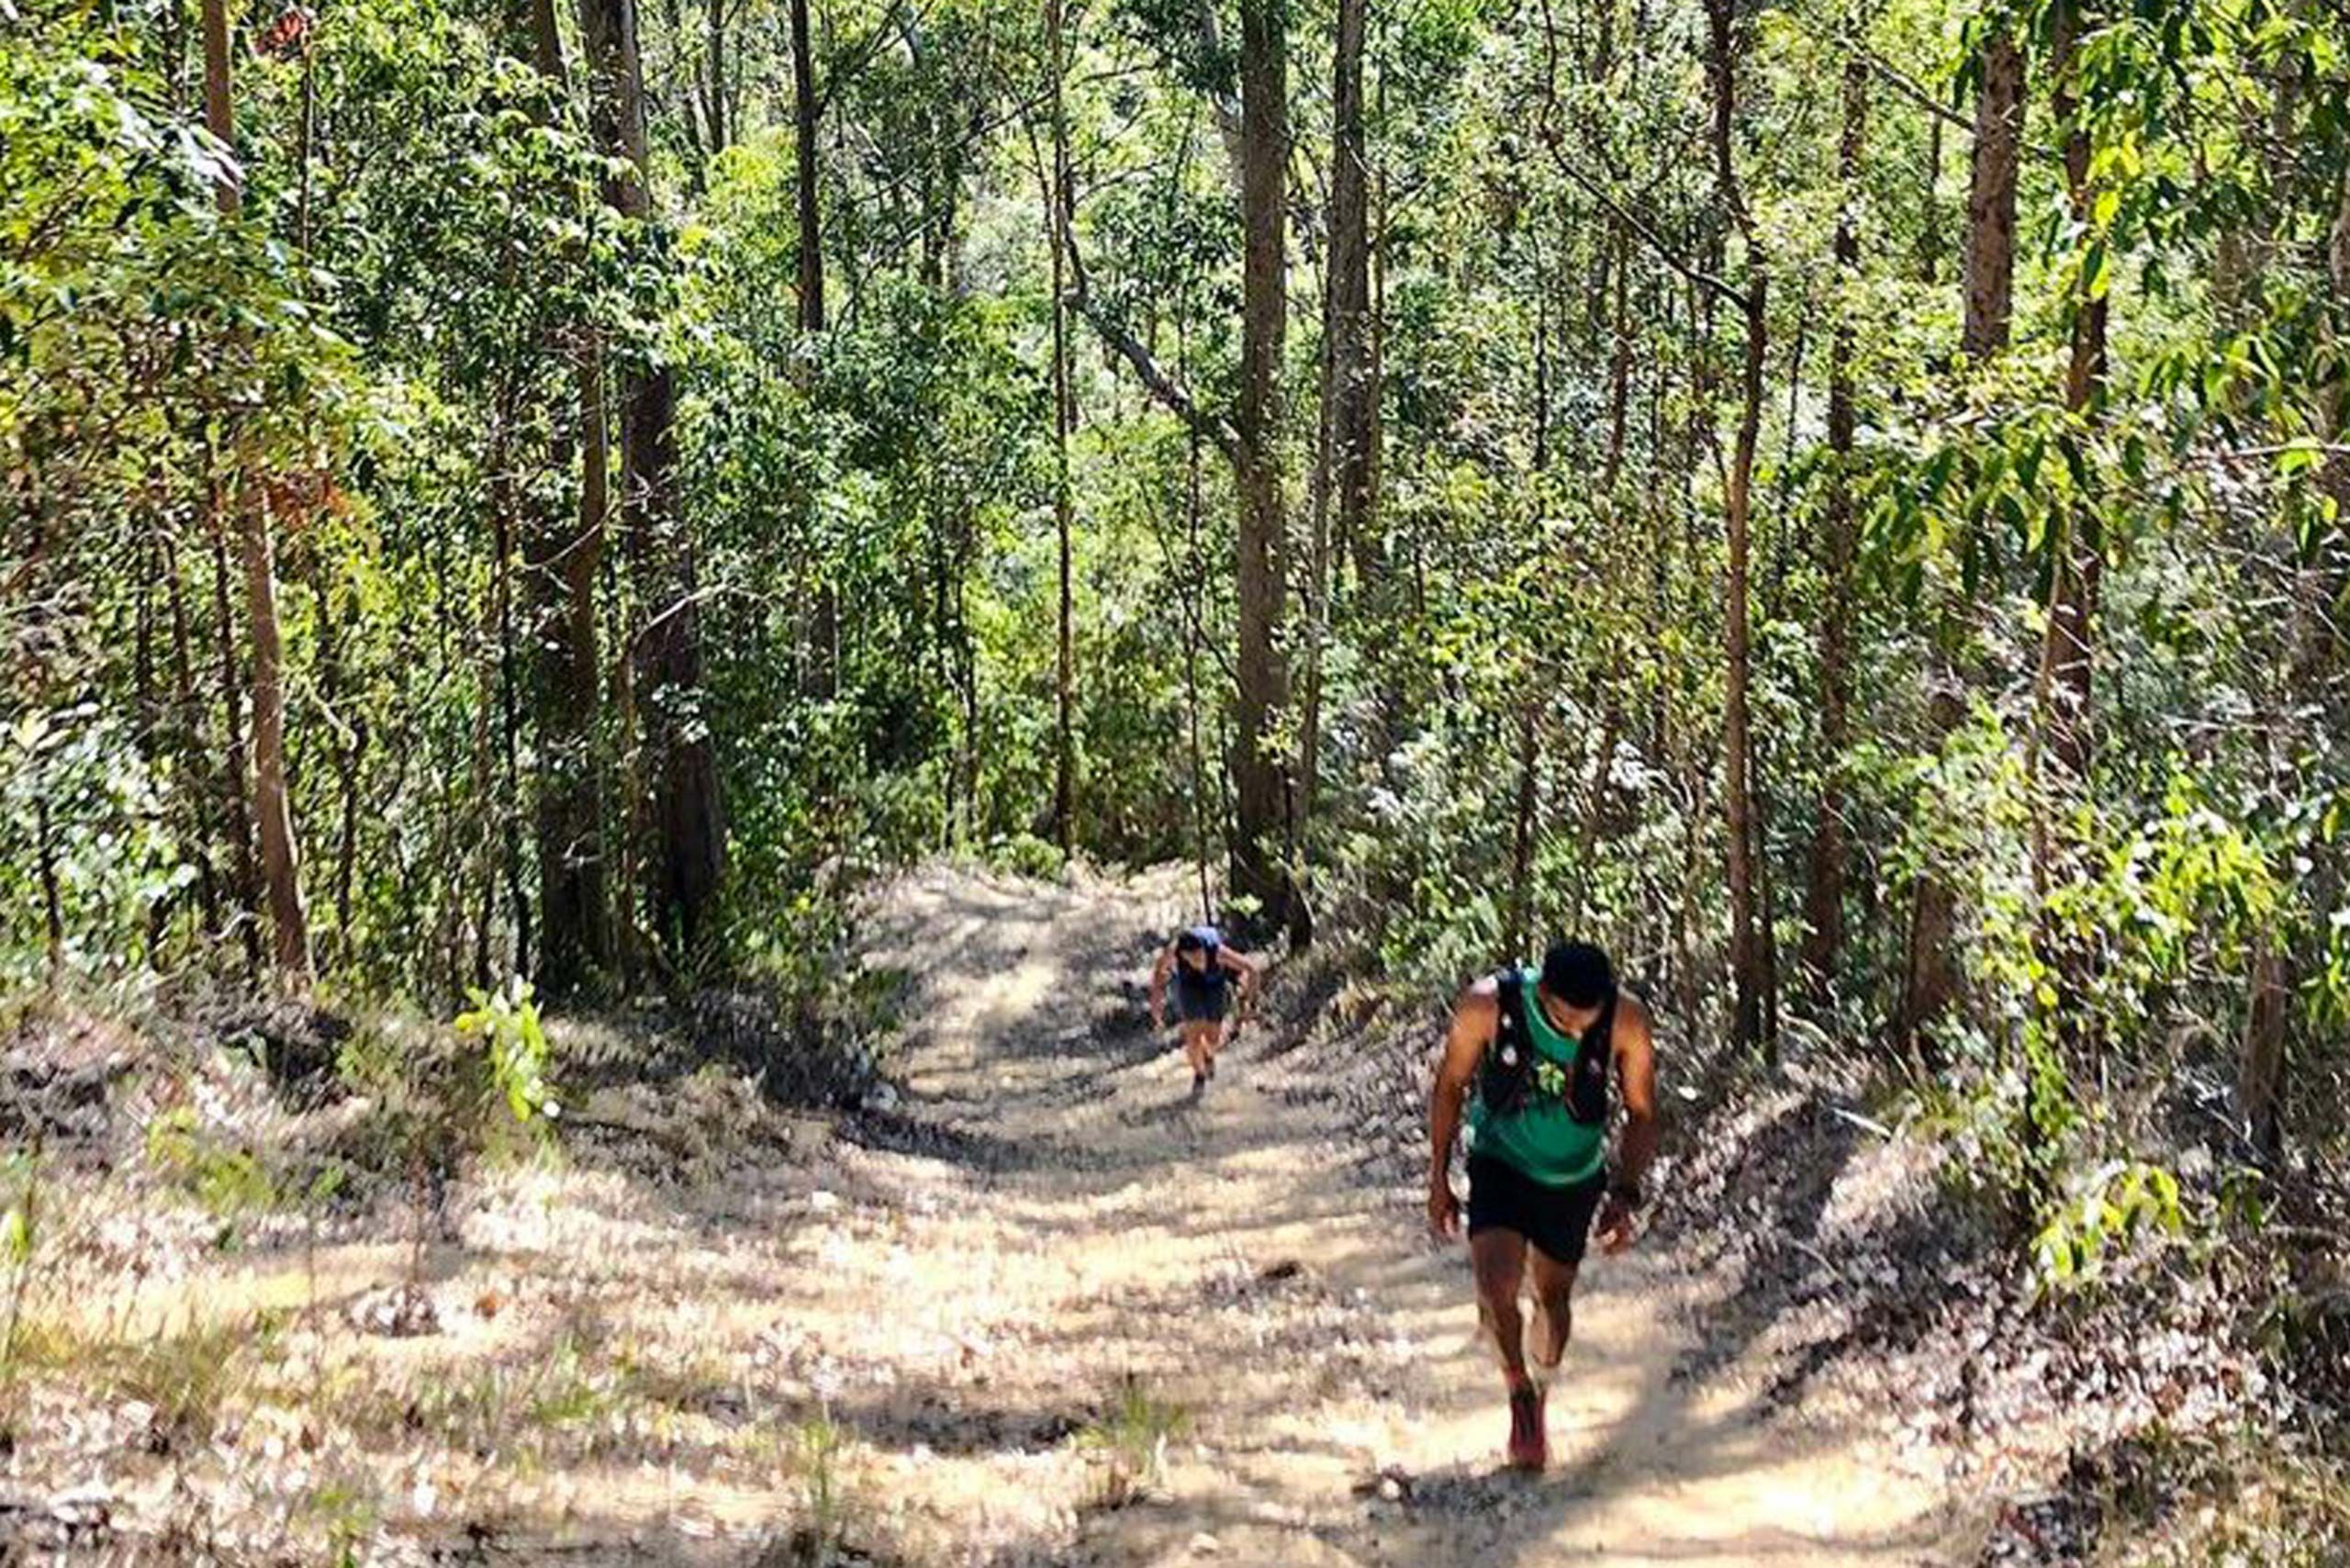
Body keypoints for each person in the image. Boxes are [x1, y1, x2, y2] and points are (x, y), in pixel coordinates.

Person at [1426, 938, 1659, 1472]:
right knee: (1495, 1285)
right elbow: (1451, 1085)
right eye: (1563, 1017)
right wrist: (1438, 1178)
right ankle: (1518, 1395)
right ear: (1542, 991)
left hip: (1573, 1177)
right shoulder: (1488, 1005)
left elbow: (1643, 1112)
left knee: (1552, 1302)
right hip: (1500, 1162)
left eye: (1586, 1019)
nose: (1576, 1030)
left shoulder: (1625, 1021)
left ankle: (1544, 1386)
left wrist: (1624, 1194)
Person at [1148, 924, 1261, 1092]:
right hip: (1188, 984)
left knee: (1213, 1035)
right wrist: (1156, 1005)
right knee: (1193, 1035)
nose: (1200, 962)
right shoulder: (1173, 953)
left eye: (1201, 957)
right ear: (1184, 955)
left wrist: (1251, 1002)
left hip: (1214, 983)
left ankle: (1208, 1055)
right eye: (1194, 959)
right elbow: (1159, 973)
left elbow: (1252, 969)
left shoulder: (1218, 952)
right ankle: (1199, 1074)